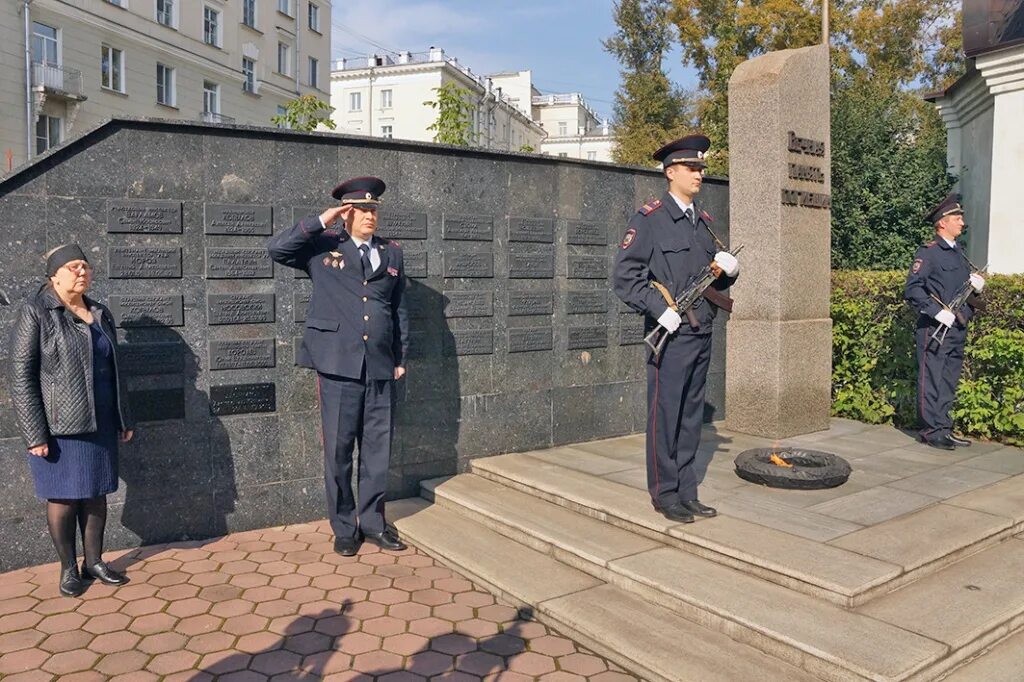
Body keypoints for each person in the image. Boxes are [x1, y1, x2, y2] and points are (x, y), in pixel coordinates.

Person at [268, 177, 409, 555]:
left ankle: (374, 523)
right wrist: (322, 219)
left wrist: (399, 357)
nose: (369, 216)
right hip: (337, 365)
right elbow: (277, 249)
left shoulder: (392, 252)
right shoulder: (322, 247)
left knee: (377, 451)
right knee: (338, 451)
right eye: (361, 210)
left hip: (379, 366)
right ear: (346, 213)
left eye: (373, 210)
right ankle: (345, 528)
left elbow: (397, 309)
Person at [613, 135, 739, 524]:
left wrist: (729, 272)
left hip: (702, 331)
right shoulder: (649, 220)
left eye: (701, 168)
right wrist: (659, 309)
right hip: (670, 334)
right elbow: (625, 278)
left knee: (690, 415)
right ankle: (665, 493)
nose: (699, 174)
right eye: (691, 168)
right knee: (666, 415)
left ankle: (686, 491)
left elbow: (710, 278)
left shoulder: (703, 223)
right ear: (671, 173)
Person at [8, 244, 135, 597]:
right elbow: (21, 376)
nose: (82, 272)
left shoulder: (99, 312)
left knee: (95, 495)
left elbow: (115, 370)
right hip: (59, 426)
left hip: (102, 421)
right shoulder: (36, 312)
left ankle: (94, 562)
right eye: (73, 267)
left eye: (85, 266)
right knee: (63, 498)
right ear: (54, 275)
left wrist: (123, 416)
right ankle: (68, 569)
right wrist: (35, 433)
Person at [904, 193, 985, 450]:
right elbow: (913, 289)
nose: (962, 222)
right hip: (934, 328)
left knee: (949, 379)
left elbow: (959, 290)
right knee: (933, 379)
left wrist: (977, 289)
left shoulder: (958, 253)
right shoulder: (929, 253)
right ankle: (931, 431)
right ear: (942, 222)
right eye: (957, 218)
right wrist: (935, 312)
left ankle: (944, 428)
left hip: (957, 327)